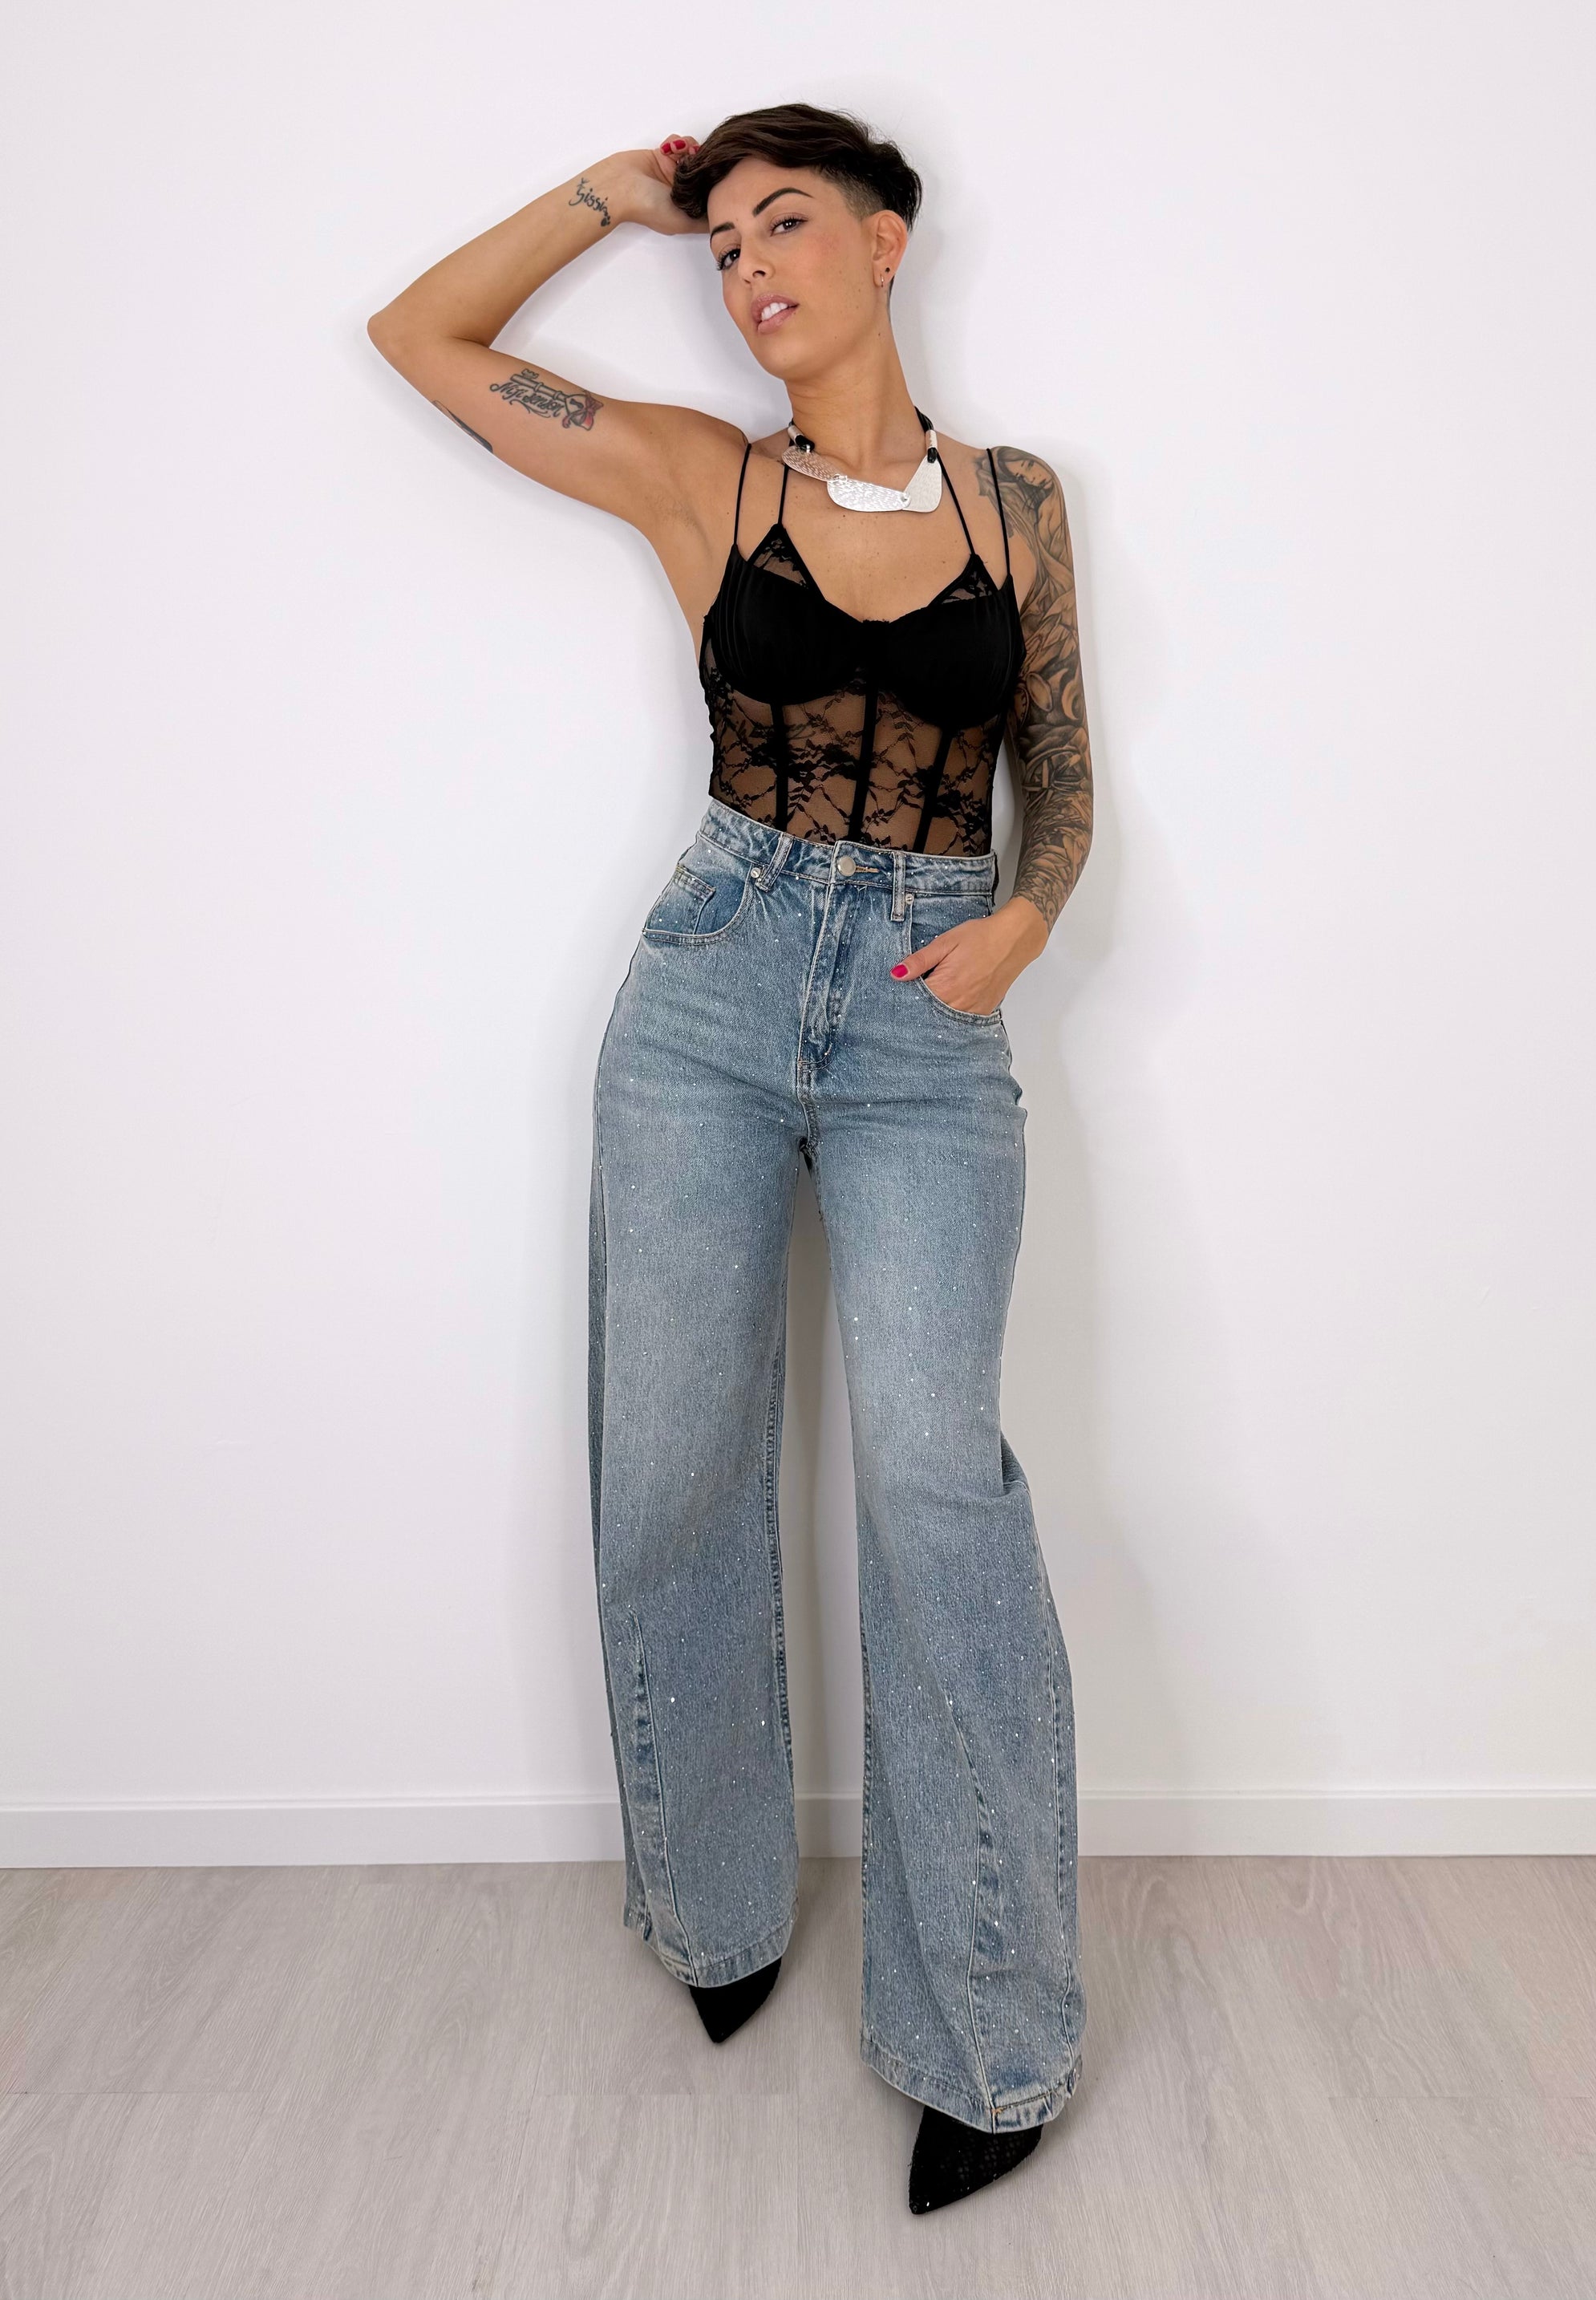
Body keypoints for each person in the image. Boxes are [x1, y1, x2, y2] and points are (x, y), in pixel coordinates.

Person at [367, 102, 1096, 2215]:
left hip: (927, 1014)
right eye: (723, 247)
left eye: (787, 225)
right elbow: (422, 338)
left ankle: (993, 2026)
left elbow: (1060, 762)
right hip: (711, 983)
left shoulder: (1018, 501)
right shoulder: (708, 476)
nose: (750, 267)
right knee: (674, 1461)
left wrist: (1030, 916)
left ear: (889, 241)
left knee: (936, 1479)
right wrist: (612, 197)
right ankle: (718, 1912)